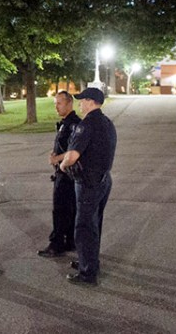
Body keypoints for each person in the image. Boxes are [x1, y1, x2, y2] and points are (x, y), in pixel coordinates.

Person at [58, 87, 117, 286]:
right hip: (103, 180)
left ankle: (87, 274)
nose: (80, 104)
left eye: (82, 100)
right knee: (95, 224)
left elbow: (73, 155)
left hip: (88, 183)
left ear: (91, 102)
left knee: (84, 226)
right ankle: (90, 262)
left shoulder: (87, 124)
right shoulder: (107, 123)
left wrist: (63, 164)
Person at [38, 91, 81, 257]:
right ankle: (70, 241)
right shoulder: (65, 123)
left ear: (69, 103)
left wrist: (57, 158)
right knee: (69, 209)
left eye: (59, 103)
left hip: (67, 173)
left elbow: (76, 149)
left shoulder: (74, 124)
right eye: (55, 103)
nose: (56, 107)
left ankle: (57, 244)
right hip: (64, 172)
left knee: (61, 209)